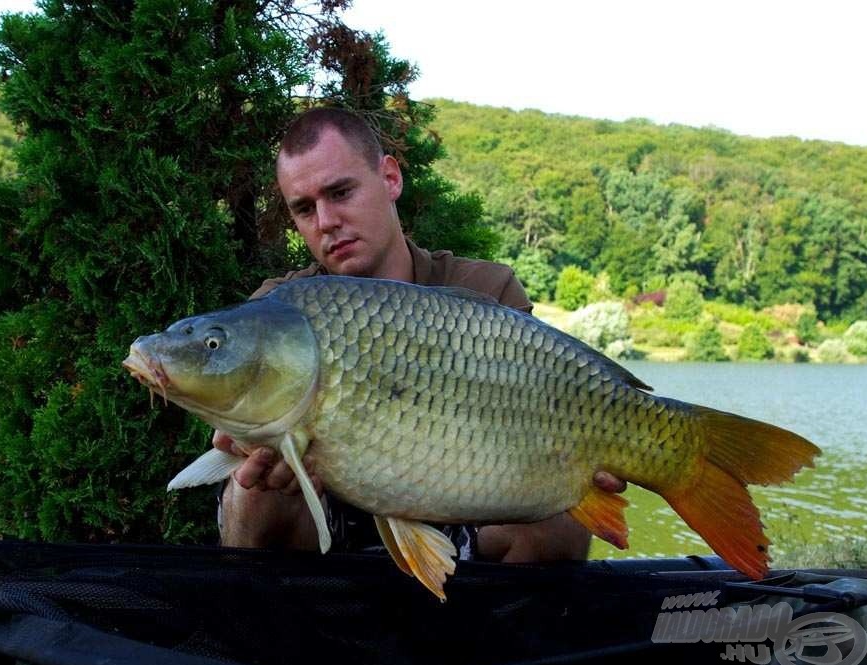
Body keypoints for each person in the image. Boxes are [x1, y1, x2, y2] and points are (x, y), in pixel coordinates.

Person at [215, 108, 626, 564]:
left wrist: (580, 463)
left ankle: (488, 632)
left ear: (389, 178)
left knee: (560, 517)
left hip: (464, 517)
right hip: (323, 537)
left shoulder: (486, 293)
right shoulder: (278, 312)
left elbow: (553, 403)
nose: (326, 220)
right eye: (304, 208)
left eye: (340, 192)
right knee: (252, 489)